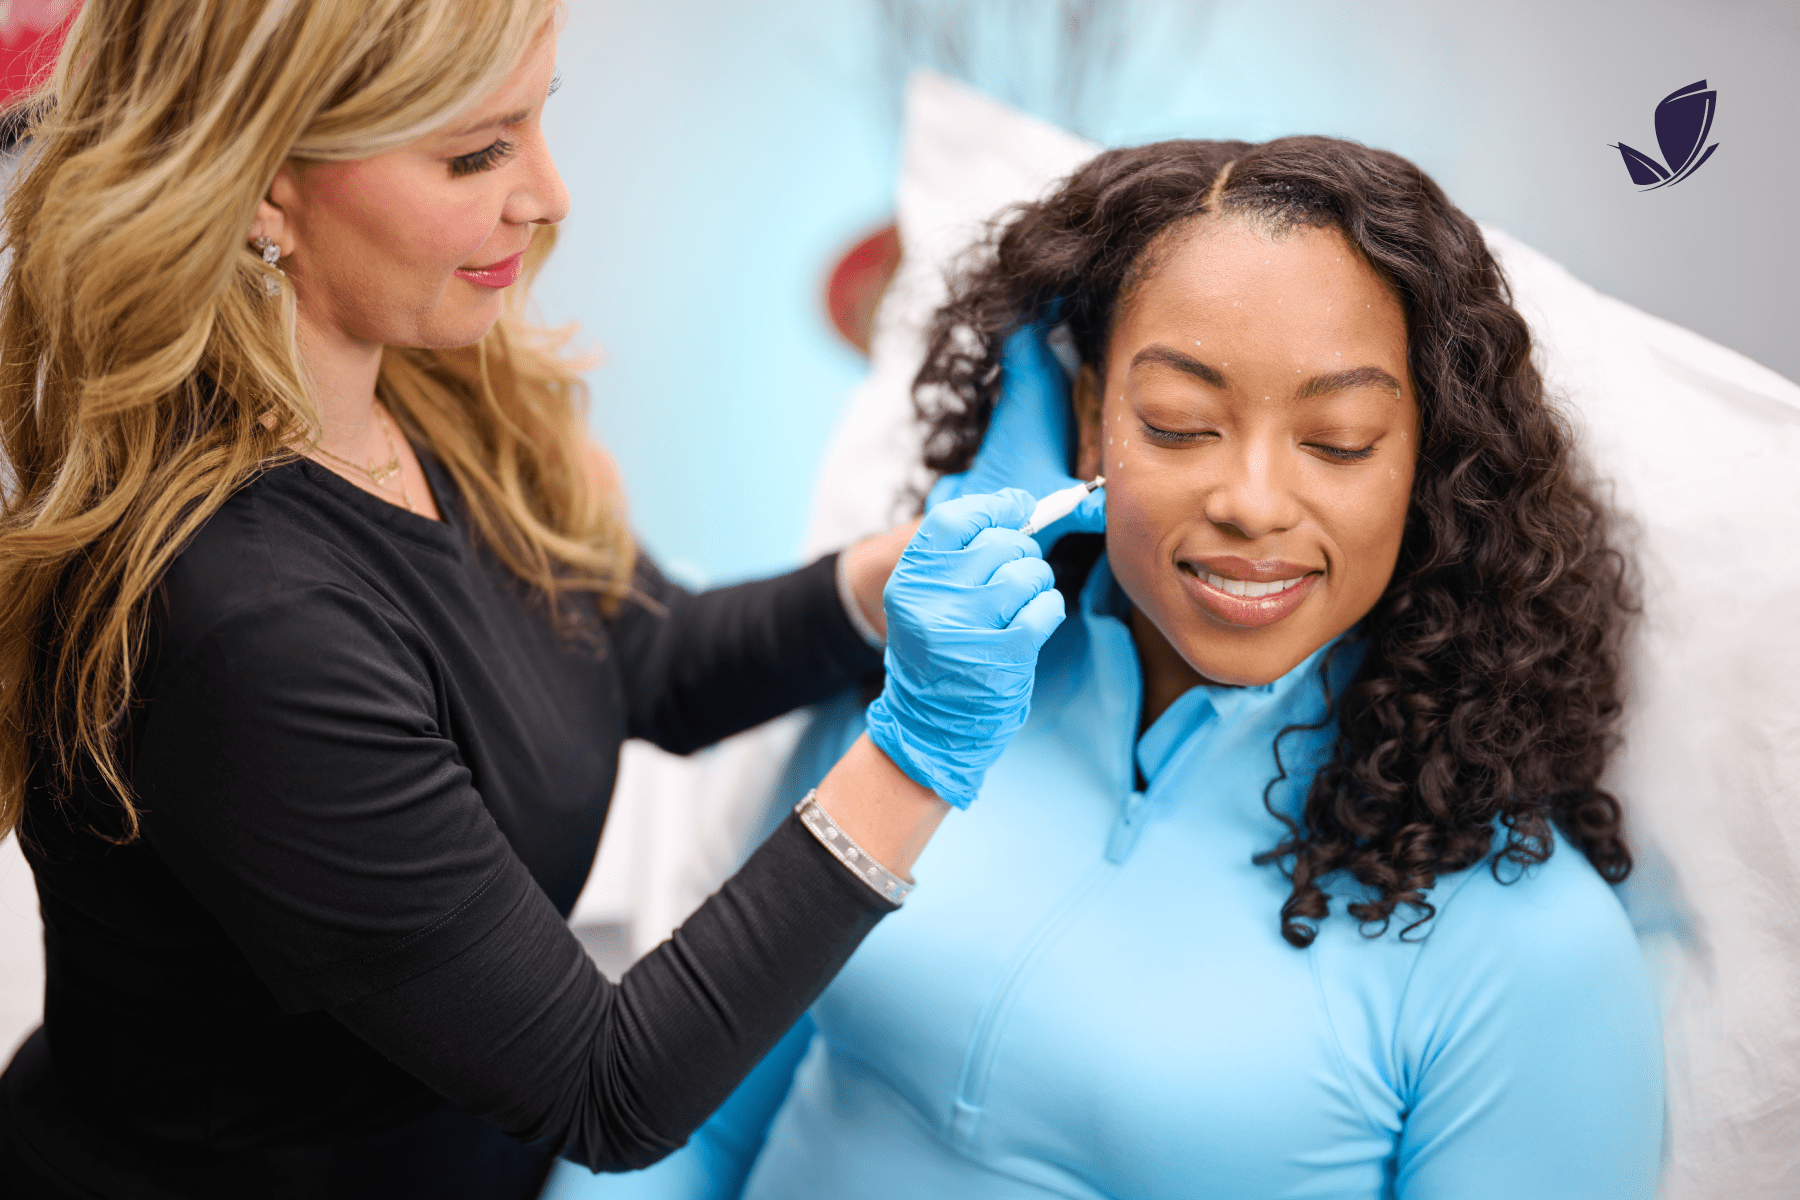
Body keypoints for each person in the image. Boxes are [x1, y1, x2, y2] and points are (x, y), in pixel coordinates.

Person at [0, 2, 1092, 1197]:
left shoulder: (426, 391)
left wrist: (883, 579)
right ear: (265, 185)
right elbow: (606, 1090)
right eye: (477, 152)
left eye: (538, 120)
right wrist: (923, 750)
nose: (551, 194)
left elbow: (645, 656)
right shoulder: (246, 624)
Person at [564, 136, 1665, 1199]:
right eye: (1181, 423)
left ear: (1429, 469)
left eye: (1338, 441)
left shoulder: (1530, 946)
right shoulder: (928, 699)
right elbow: (683, 1125)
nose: (1253, 501)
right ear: (1090, 420)